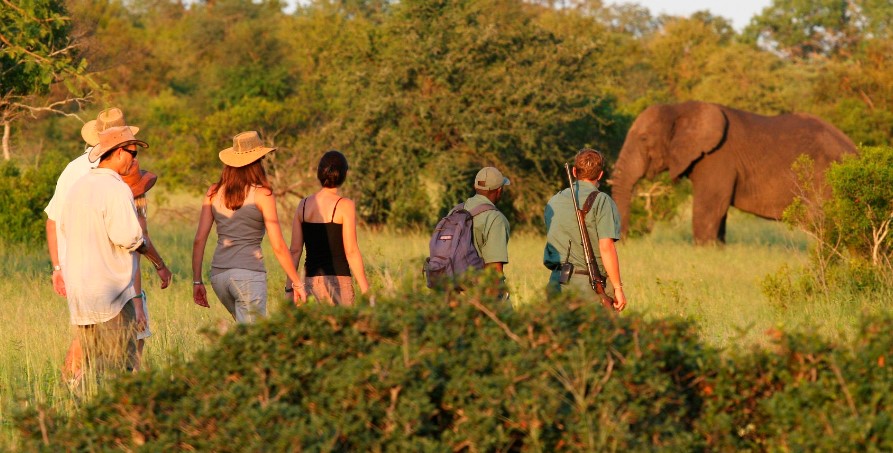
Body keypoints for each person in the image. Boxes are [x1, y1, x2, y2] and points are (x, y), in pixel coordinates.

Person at [59, 126, 168, 378]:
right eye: (132, 152)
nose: (135, 159)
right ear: (119, 152)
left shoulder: (79, 187)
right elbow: (130, 238)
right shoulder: (116, 189)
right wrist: (159, 263)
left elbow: (64, 227)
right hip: (112, 295)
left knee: (87, 359)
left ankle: (76, 403)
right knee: (121, 367)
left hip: (81, 294)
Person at [192, 131, 305, 322]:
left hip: (219, 277)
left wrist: (197, 281)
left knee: (243, 338)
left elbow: (199, 239)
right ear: (257, 161)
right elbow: (277, 245)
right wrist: (297, 283)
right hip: (248, 277)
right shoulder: (263, 195)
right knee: (254, 343)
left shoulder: (213, 191)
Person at [543, 148, 627, 311]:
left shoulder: (554, 201)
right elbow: (606, 247)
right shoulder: (602, 200)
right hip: (589, 285)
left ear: (574, 171)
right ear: (601, 175)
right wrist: (618, 288)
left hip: (557, 282)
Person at [287, 150, 370, 306]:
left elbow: (295, 251)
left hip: (309, 282)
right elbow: (351, 251)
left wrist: (289, 288)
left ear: (320, 173)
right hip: (338, 282)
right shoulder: (345, 205)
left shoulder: (303, 205)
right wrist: (366, 290)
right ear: (343, 174)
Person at [122, 160, 168, 370]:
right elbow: (134, 266)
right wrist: (138, 303)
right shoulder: (135, 219)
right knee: (135, 355)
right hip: (128, 291)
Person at [466, 166, 512, 283]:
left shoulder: (456, 210)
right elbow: (494, 270)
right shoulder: (495, 218)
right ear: (499, 190)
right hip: (477, 291)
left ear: (475, 186)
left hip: (449, 289)